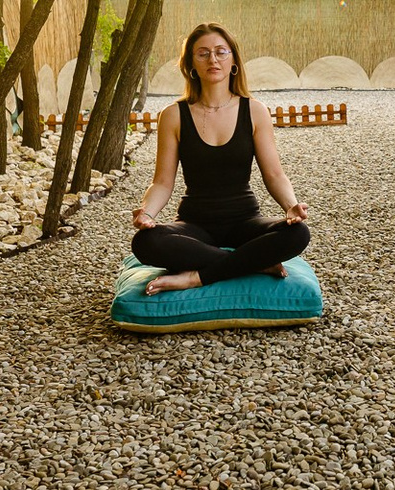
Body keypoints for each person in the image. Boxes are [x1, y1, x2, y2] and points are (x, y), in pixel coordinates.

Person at [130, 22, 309, 294]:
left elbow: (274, 174)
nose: (212, 59)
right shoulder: (173, 115)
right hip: (195, 223)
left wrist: (291, 206)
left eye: (221, 52)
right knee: (145, 242)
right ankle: (252, 264)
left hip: (245, 221)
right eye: (202, 53)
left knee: (298, 234)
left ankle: (196, 277)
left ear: (233, 60)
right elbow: (162, 182)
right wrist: (147, 213)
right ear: (191, 64)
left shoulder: (255, 111)